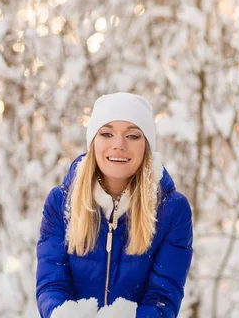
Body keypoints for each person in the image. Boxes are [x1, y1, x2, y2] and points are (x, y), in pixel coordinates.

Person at [36, 92, 193, 318]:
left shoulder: (172, 210)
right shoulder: (60, 203)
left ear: (147, 146)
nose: (118, 145)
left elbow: (162, 297)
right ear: (93, 142)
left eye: (133, 136)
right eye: (107, 133)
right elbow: (51, 285)